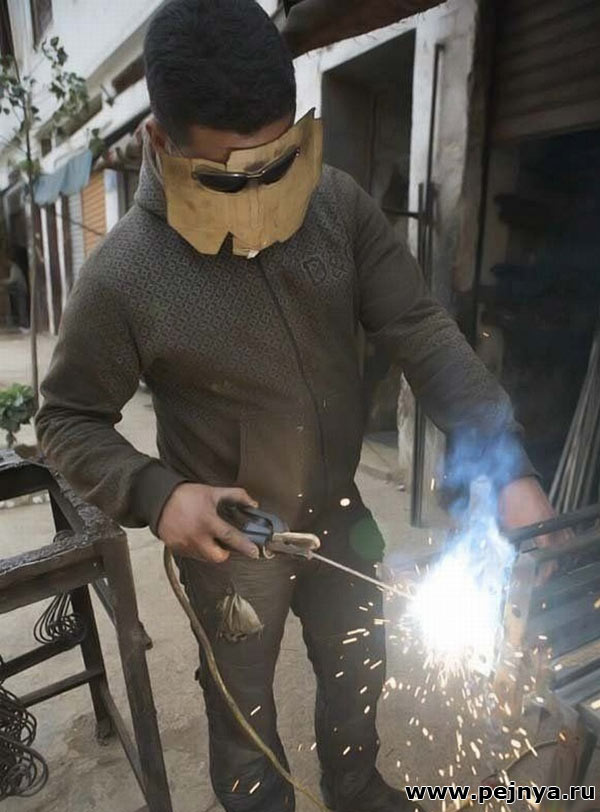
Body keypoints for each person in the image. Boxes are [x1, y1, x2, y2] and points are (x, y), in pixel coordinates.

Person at [36, 1, 559, 810]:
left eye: (277, 164)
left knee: (359, 662)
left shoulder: (337, 207)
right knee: (242, 712)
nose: (260, 197)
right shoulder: (125, 276)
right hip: (236, 534)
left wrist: (510, 467)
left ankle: (355, 787)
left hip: (339, 504)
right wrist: (158, 494)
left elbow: (421, 330)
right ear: (159, 141)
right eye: (227, 174)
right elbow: (65, 420)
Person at [1, 246, 29, 331]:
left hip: (21, 290)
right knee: (20, 308)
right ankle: (23, 325)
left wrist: (2, 282)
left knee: (22, 308)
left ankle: (24, 325)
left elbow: (13, 280)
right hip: (19, 290)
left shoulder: (14, 268)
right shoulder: (13, 268)